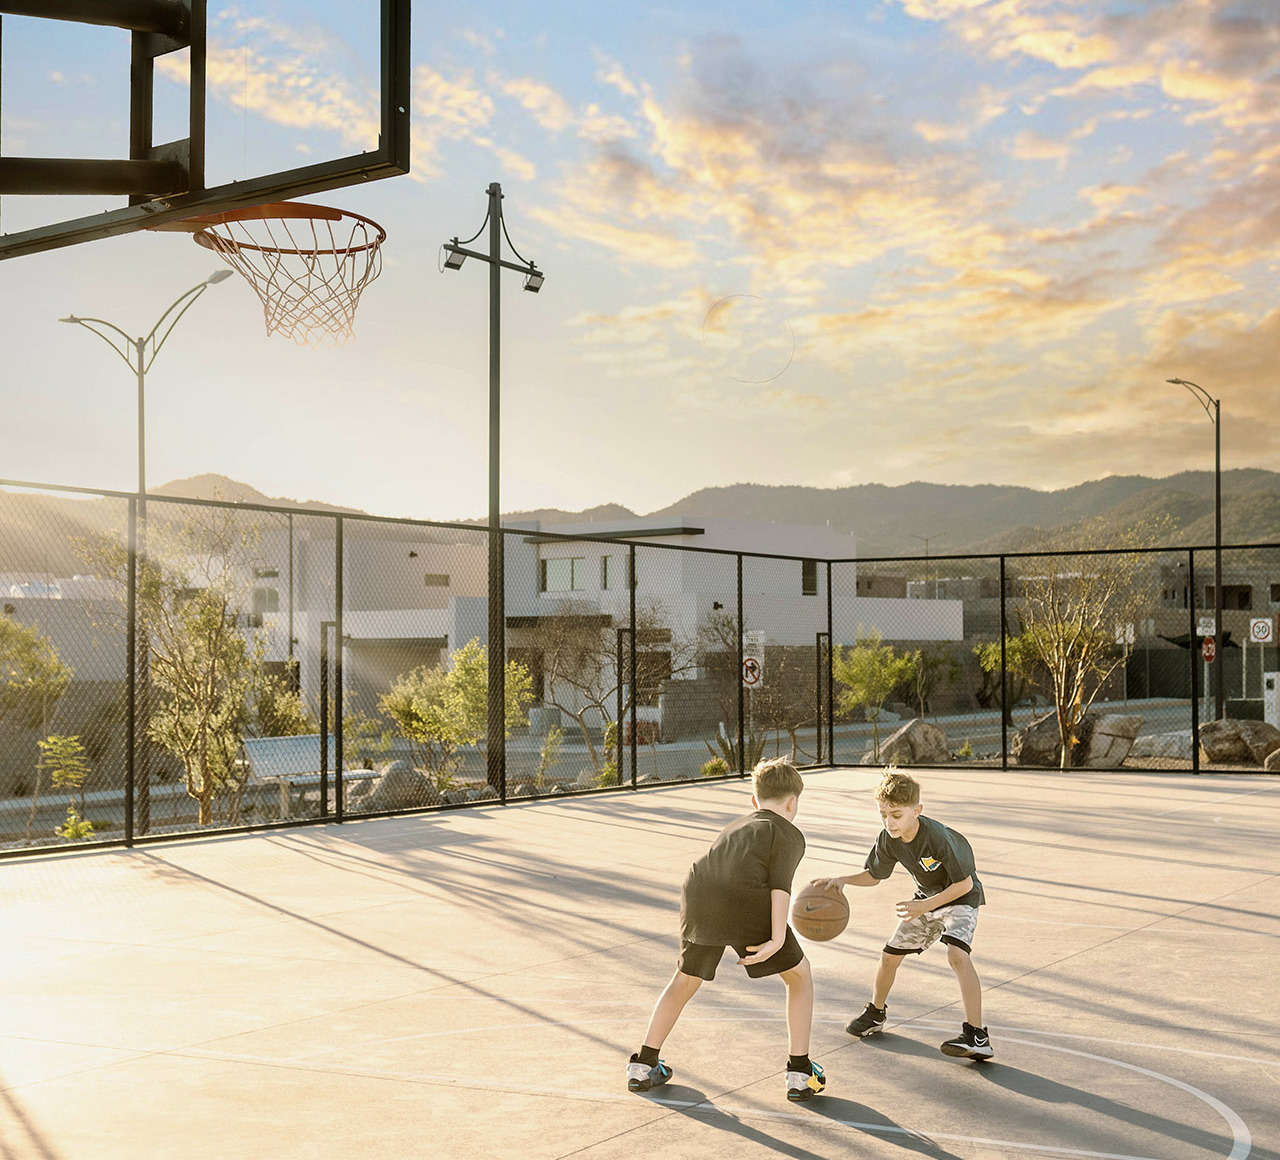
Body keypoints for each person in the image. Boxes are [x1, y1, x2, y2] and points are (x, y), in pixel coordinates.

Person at [626, 756, 826, 1102]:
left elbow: (720, 870)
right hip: (743, 895)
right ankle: (799, 1071)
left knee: (685, 978)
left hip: (698, 891)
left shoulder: (735, 825)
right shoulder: (788, 833)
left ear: (754, 801)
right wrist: (777, 938)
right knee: (799, 975)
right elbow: (780, 886)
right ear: (793, 802)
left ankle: (643, 1064)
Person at [812, 769, 992, 1060]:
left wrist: (924, 905)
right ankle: (876, 1013)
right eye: (883, 814)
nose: (889, 822)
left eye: (896, 815)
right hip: (925, 901)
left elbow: (965, 883)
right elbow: (874, 875)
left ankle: (977, 1035)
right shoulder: (888, 838)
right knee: (889, 957)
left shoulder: (937, 837)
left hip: (960, 897)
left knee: (957, 955)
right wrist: (843, 879)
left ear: (916, 811)